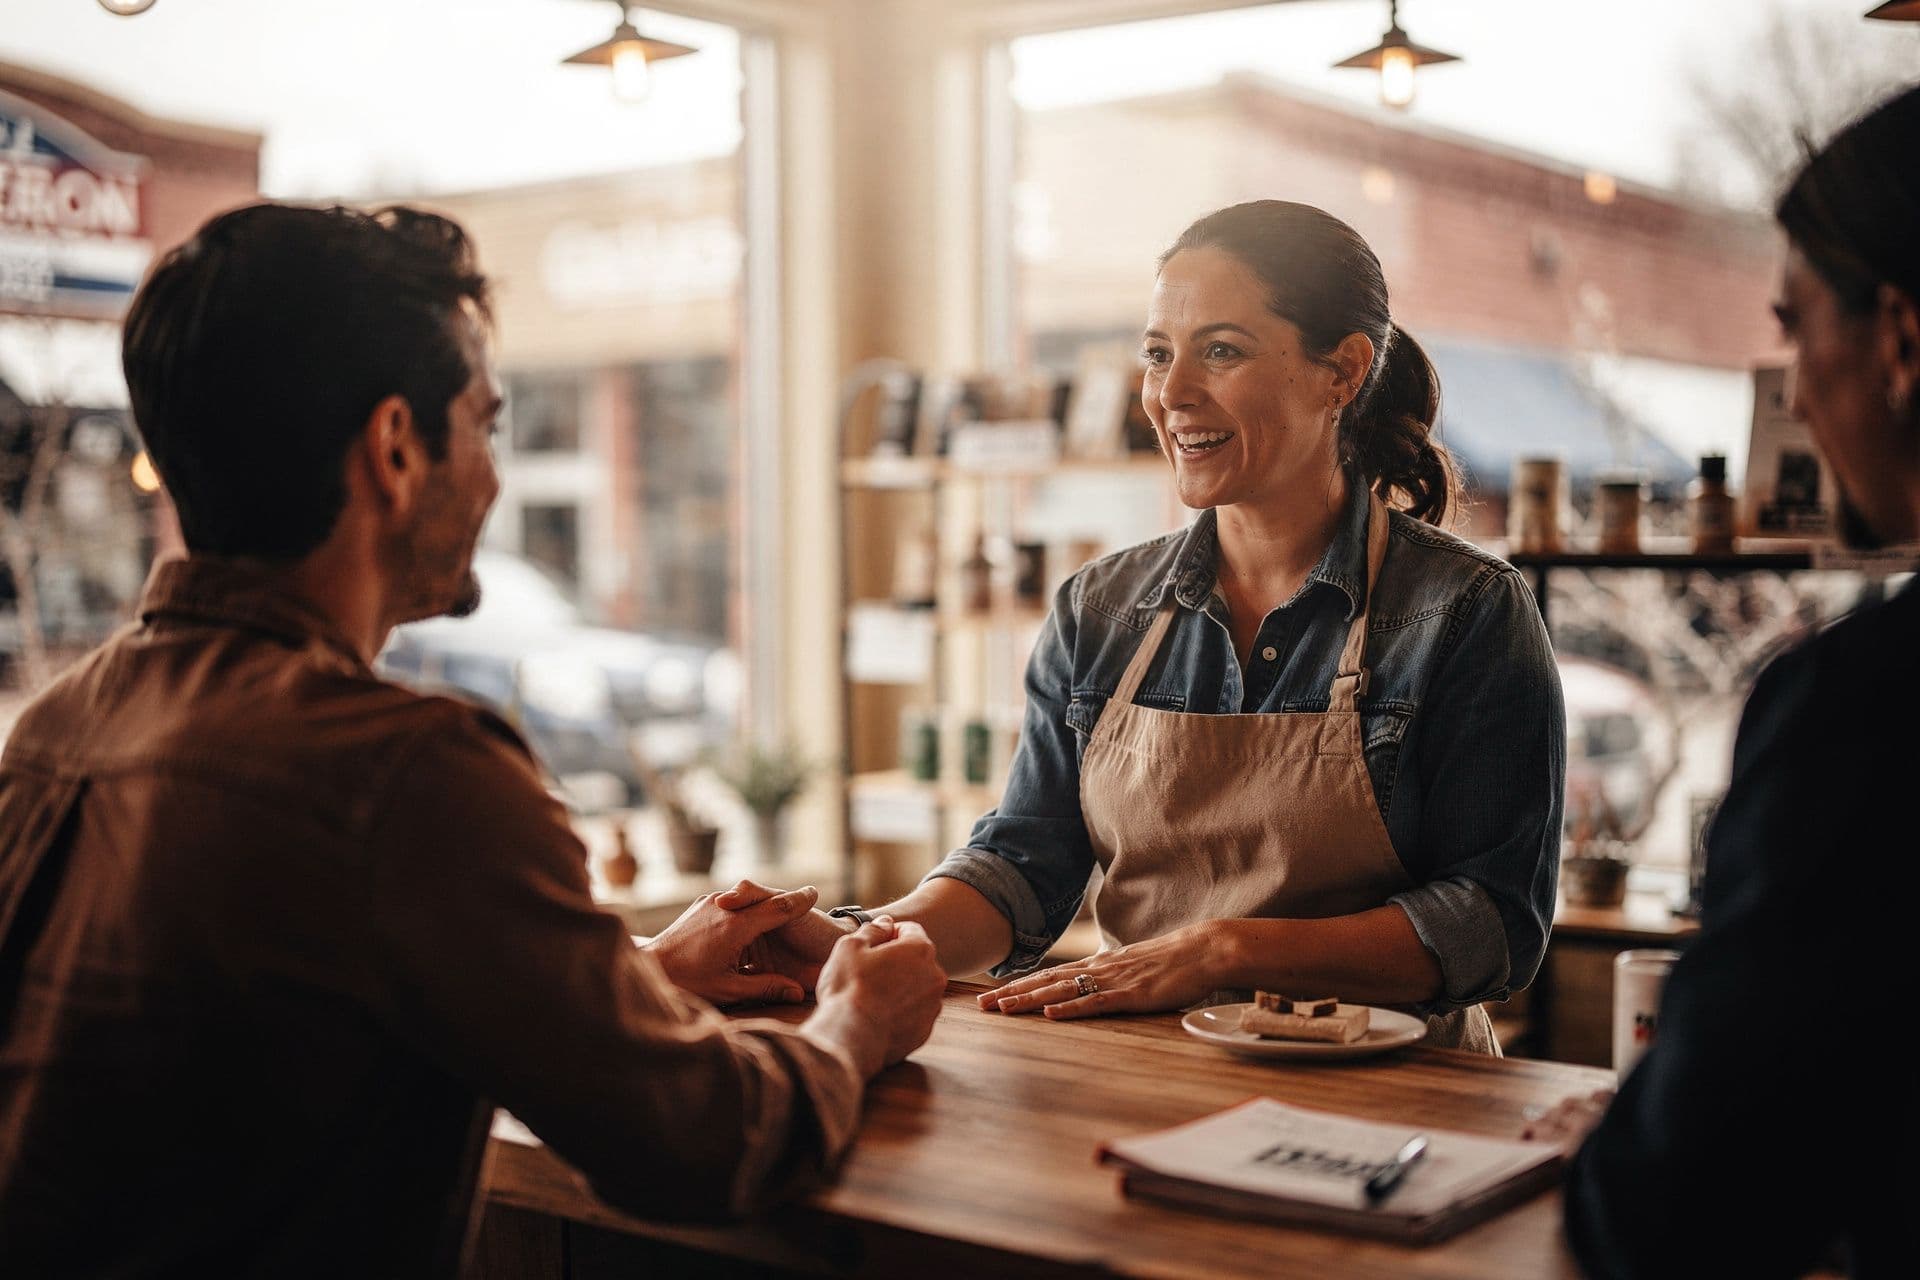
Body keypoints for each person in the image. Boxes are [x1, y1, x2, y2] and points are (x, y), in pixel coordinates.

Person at [0, 203, 946, 1277]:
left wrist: (636, 973)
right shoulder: (408, 774)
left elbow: (250, 1025)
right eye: (488, 426)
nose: (495, 477)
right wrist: (859, 1020)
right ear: (397, 448)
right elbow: (705, 1145)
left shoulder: (55, 730)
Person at [747, 200, 1566, 1053]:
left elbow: (1492, 924)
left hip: (1397, 1095)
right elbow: (1025, 864)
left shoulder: (1465, 611)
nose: (1171, 396)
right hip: (1148, 1075)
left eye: (1221, 351)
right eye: (1157, 354)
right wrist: (870, 937)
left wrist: (1224, 948)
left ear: (1343, 373)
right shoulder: (1097, 611)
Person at [1516, 84, 1920, 1279]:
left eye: (1796, 330)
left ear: (1899, 339)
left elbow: (1681, 1215)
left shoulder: (1866, 710)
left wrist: (1618, 1146)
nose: (1793, 389)